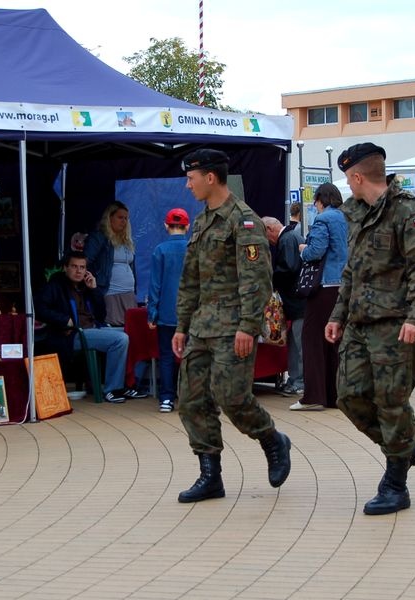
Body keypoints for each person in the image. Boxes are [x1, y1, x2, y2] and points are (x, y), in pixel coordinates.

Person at [326, 142, 415, 515]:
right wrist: (337, 315)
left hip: (395, 325)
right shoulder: (356, 214)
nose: (347, 186)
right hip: (359, 323)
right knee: (348, 395)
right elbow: (351, 272)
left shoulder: (408, 212)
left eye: (348, 178)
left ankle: (395, 484)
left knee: (391, 402)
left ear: (358, 176)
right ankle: (403, 447)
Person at [172, 148, 291, 503]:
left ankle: (272, 439)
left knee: (233, 397)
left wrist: (247, 326)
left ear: (211, 177)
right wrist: (181, 326)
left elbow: (257, 280)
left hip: (233, 327)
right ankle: (210, 475)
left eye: (191, 177)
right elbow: (189, 279)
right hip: (201, 327)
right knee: (191, 400)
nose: (187, 184)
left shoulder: (245, 221)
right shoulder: (201, 221)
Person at [34, 251, 145, 403]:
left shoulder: (85, 286)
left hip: (93, 328)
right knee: (120, 339)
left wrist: (94, 289)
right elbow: (40, 308)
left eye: (82, 267)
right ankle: (112, 389)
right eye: (74, 266)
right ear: (65, 267)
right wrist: (64, 319)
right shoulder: (55, 285)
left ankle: (129, 384)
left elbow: (101, 314)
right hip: (72, 334)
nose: (79, 271)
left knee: (132, 334)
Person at [292, 182, 347, 410]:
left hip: (324, 285)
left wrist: (303, 249)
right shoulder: (346, 218)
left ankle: (313, 396)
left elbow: (316, 251)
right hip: (343, 284)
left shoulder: (323, 219)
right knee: (333, 340)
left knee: (312, 338)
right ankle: (334, 394)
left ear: (320, 200)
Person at [147, 208, 190, 413]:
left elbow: (154, 285)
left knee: (166, 356)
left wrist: (152, 313)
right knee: (193, 356)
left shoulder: (160, 250)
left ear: (166, 226)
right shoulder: (194, 249)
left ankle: (166, 399)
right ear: (187, 226)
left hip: (166, 313)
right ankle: (192, 398)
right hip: (192, 313)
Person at [263, 216, 305, 395]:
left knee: (298, 343)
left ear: (269, 230)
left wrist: (272, 279)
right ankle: (297, 380)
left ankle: (299, 381)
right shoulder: (293, 236)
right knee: (297, 343)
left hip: (297, 301)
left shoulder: (286, 240)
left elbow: (288, 268)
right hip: (299, 301)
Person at [84, 200, 138, 326]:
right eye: (120, 217)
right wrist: (94, 285)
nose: (124, 221)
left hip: (128, 293)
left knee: (130, 329)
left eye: (126, 218)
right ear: (109, 218)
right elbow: (85, 261)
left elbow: (130, 267)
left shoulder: (127, 241)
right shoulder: (99, 237)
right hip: (110, 293)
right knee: (114, 328)